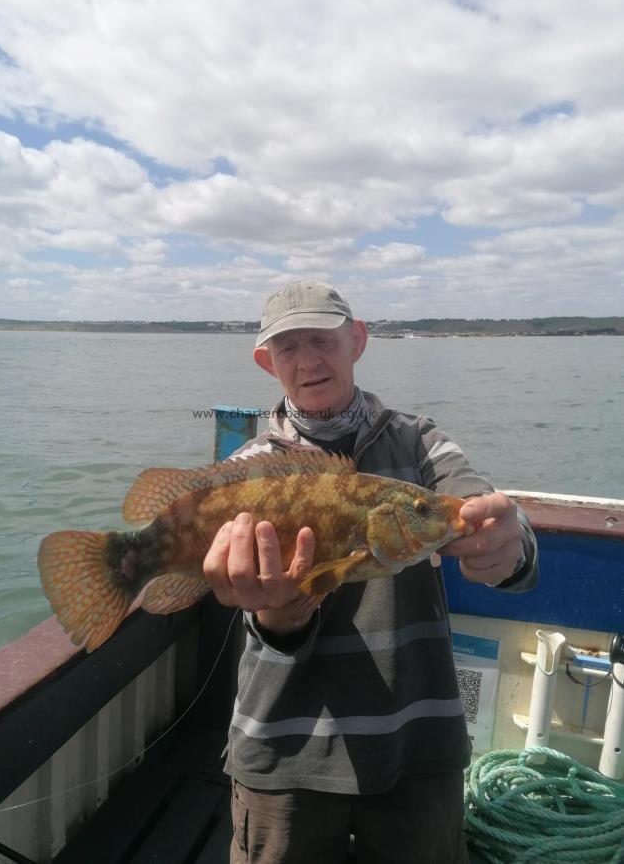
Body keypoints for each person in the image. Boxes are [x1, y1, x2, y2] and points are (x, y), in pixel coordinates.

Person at [203, 281, 538, 864]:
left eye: (322, 339)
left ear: (356, 340)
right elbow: (257, 616)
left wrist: (510, 545)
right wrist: (277, 615)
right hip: (284, 752)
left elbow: (473, 503)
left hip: (416, 744)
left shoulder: (421, 441)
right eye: (287, 347)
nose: (308, 360)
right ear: (266, 362)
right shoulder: (247, 471)